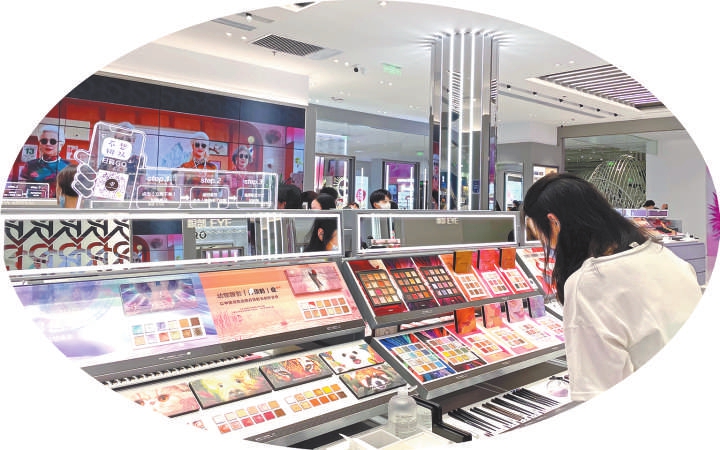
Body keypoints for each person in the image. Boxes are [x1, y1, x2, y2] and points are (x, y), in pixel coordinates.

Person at [522, 172, 702, 402]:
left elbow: (596, 390)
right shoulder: (665, 257)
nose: (542, 242)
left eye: (537, 233)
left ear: (554, 223)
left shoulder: (589, 284)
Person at [22, 124, 70, 197]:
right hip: (33, 203)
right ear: (40, 144)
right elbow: (21, 189)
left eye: (53, 141)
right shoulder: (30, 165)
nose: (48, 144)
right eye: (44, 141)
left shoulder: (68, 166)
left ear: (61, 144)